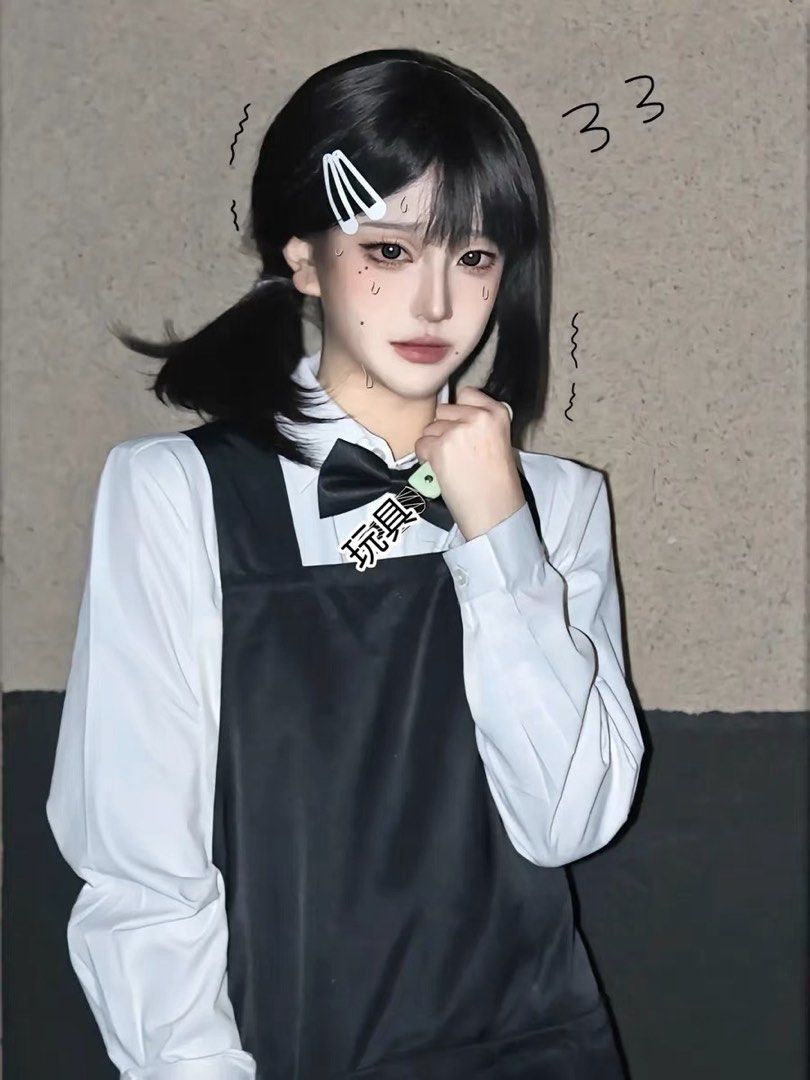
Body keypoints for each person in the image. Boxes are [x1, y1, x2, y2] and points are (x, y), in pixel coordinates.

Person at [46, 47, 645, 1080]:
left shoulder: (557, 504)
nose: (434, 304)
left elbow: (568, 823)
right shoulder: (175, 493)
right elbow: (141, 874)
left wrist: (499, 531)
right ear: (304, 258)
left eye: (474, 257)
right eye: (389, 250)